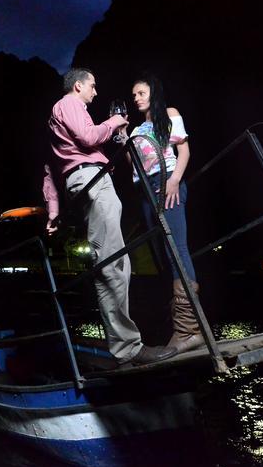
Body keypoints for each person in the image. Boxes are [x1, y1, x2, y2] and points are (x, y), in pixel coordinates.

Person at [43, 68, 177, 367]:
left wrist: (53, 211)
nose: (95, 92)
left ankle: (123, 345)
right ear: (78, 86)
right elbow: (90, 137)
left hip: (83, 183)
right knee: (114, 264)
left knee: (112, 263)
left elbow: (50, 170)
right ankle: (129, 348)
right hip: (91, 180)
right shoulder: (70, 104)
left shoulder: (58, 116)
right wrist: (116, 121)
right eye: (92, 86)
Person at [128, 73, 203, 352]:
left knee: (176, 248)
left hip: (167, 179)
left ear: (153, 94)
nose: (136, 98)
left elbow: (183, 151)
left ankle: (189, 331)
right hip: (145, 190)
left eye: (141, 93)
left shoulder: (169, 114)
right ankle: (180, 328)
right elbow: (133, 166)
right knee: (161, 252)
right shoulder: (135, 130)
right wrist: (124, 139)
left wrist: (174, 181)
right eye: (134, 94)